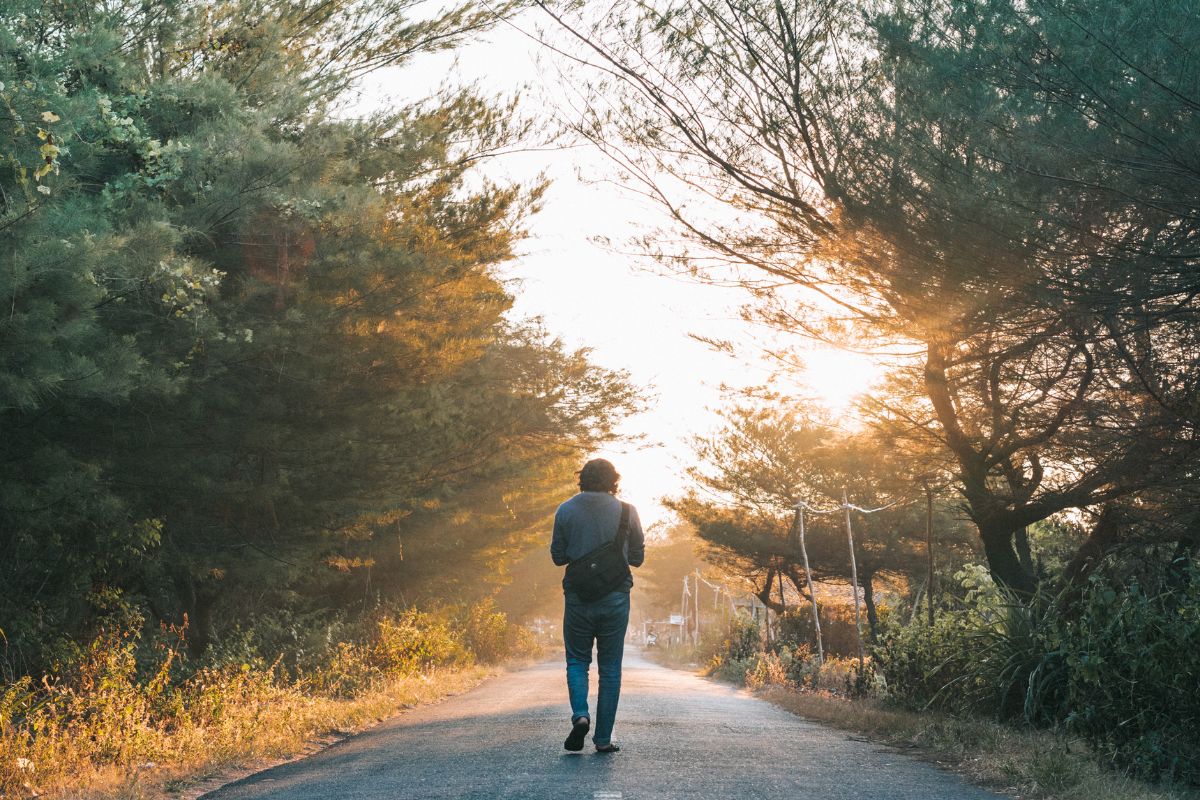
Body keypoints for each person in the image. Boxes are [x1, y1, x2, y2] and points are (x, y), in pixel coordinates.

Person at [550, 458, 645, 753]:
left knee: (577, 660)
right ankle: (603, 739)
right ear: (613, 480)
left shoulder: (565, 510)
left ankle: (581, 715)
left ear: (582, 479)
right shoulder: (628, 511)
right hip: (615, 598)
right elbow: (637, 558)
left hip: (578, 597)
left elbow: (558, 557)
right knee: (610, 668)